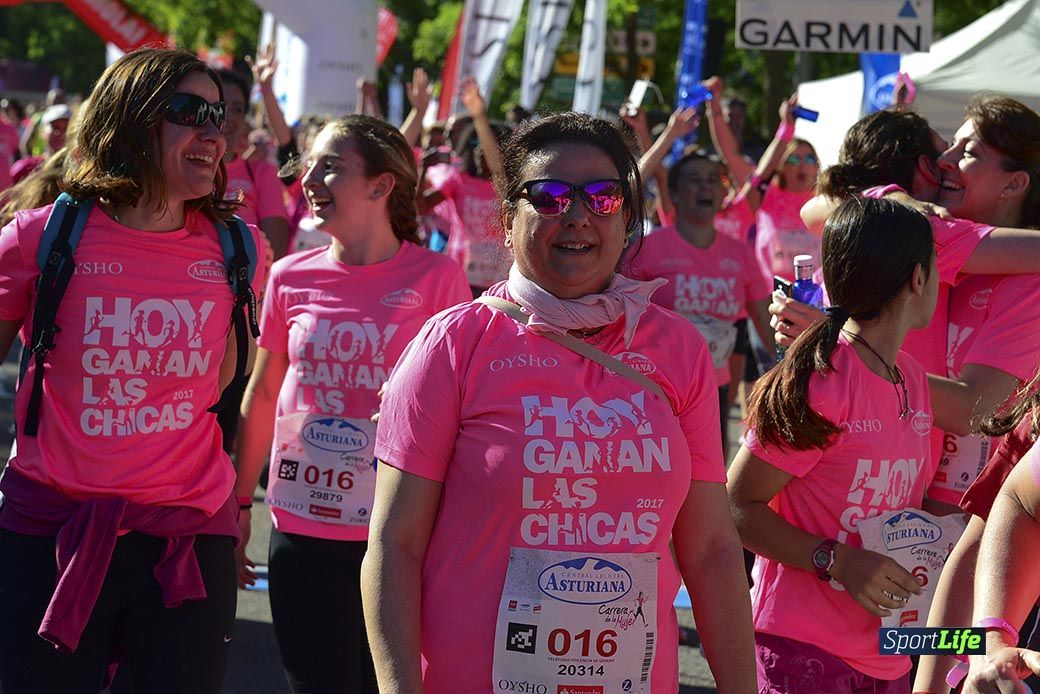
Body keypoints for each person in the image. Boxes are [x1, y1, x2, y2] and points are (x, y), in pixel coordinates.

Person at [362, 111, 756, 693]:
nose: (575, 214)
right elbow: (393, 547)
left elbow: (714, 550)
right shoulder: (454, 343)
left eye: (602, 196)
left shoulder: (679, 350)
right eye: (547, 196)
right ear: (506, 219)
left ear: (627, 218)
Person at [0, 47, 265, 693]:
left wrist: (233, 504)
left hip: (186, 536)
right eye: (189, 113)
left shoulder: (240, 248)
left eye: (221, 115)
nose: (214, 131)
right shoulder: (42, 238)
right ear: (130, 120)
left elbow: (224, 388)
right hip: (50, 531)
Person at [233, 114, 469, 694]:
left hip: (398, 532)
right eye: (308, 164)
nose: (309, 177)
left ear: (382, 184)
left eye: (330, 165)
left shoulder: (438, 279)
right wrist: (237, 505)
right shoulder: (289, 276)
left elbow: (464, 411)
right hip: (301, 521)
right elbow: (263, 392)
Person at [728, 197, 938, 693]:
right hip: (803, 652)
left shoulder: (911, 375)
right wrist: (838, 560)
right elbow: (735, 506)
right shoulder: (824, 379)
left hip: (888, 652)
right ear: (917, 278)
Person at [624, 151, 774, 460]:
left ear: (723, 193)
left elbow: (762, 315)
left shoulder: (741, 254)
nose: (705, 187)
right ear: (675, 194)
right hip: (653, 386)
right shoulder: (648, 250)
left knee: (708, 475)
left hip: (713, 390)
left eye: (712, 181)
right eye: (695, 180)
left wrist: (788, 368)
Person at [420, 76, 510, 295]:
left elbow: (496, 166)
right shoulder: (458, 180)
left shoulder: (507, 185)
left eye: (486, 145)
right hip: (461, 276)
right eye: (474, 144)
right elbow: (419, 208)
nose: (480, 151)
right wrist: (422, 171)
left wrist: (479, 116)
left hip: (499, 282)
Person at [10, 104, 69, 185]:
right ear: (42, 132)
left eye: (66, 128)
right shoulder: (25, 169)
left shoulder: (79, 170)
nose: (61, 133)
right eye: (55, 127)